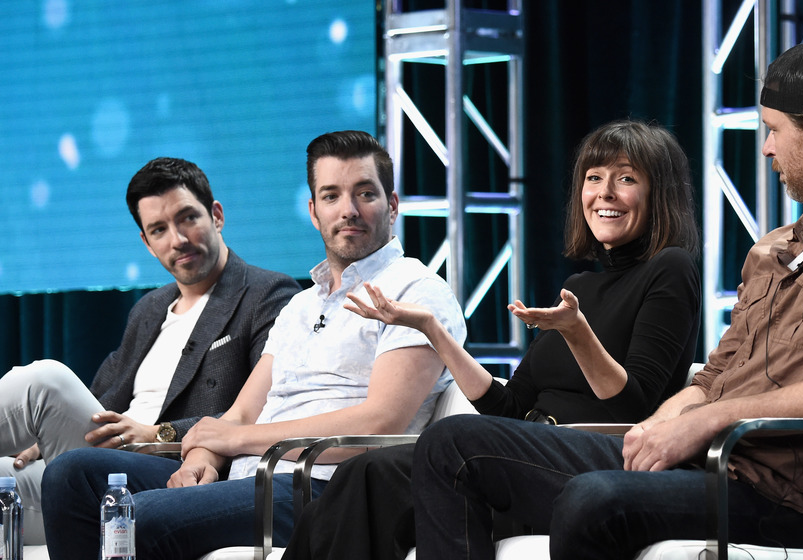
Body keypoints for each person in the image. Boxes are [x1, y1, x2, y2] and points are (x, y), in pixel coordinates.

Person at [409, 38, 803, 559]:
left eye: (773, 130)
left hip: (787, 497)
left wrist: (709, 421)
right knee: (451, 445)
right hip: (709, 468)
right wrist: (657, 428)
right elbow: (716, 376)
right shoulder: (780, 245)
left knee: (593, 498)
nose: (767, 148)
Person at [279, 119, 702, 560]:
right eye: (594, 178)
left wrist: (578, 334)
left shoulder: (670, 269)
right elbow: (511, 407)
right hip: (522, 454)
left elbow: (635, 407)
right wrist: (433, 332)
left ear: (660, 193)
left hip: (600, 461)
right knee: (364, 476)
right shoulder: (581, 285)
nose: (605, 193)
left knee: (452, 439)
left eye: (626, 178)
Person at [39, 130, 467, 560]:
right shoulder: (302, 305)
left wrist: (239, 440)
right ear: (314, 212)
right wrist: (201, 455)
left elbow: (380, 422)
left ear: (392, 205)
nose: (349, 211)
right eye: (332, 196)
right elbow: (242, 411)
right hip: (251, 477)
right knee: (71, 476)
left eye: (365, 194)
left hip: (327, 485)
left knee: (140, 516)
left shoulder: (416, 290)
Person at [0, 157, 300, 544]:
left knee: (44, 382)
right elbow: (100, 399)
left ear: (217, 215)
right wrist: (48, 433)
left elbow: (263, 409)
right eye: (159, 229)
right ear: (146, 242)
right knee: (6, 471)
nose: (177, 239)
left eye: (188, 218)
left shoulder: (268, 294)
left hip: (172, 465)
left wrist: (159, 433)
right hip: (101, 461)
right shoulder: (150, 308)